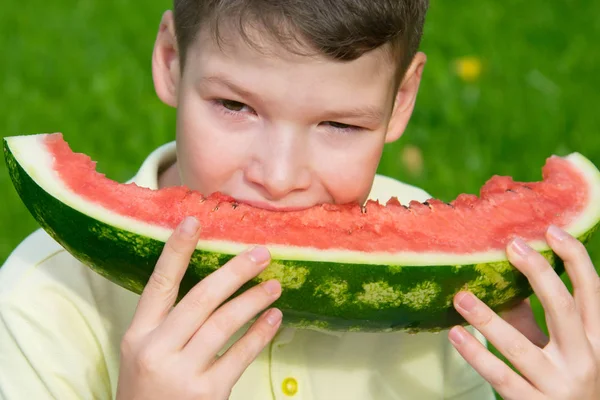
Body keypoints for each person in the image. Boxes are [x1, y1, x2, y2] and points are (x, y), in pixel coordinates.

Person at [1, 1, 599, 399]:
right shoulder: (43, 302)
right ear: (170, 58)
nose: (280, 177)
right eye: (235, 107)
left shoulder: (449, 284)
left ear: (403, 98)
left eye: (340, 124)